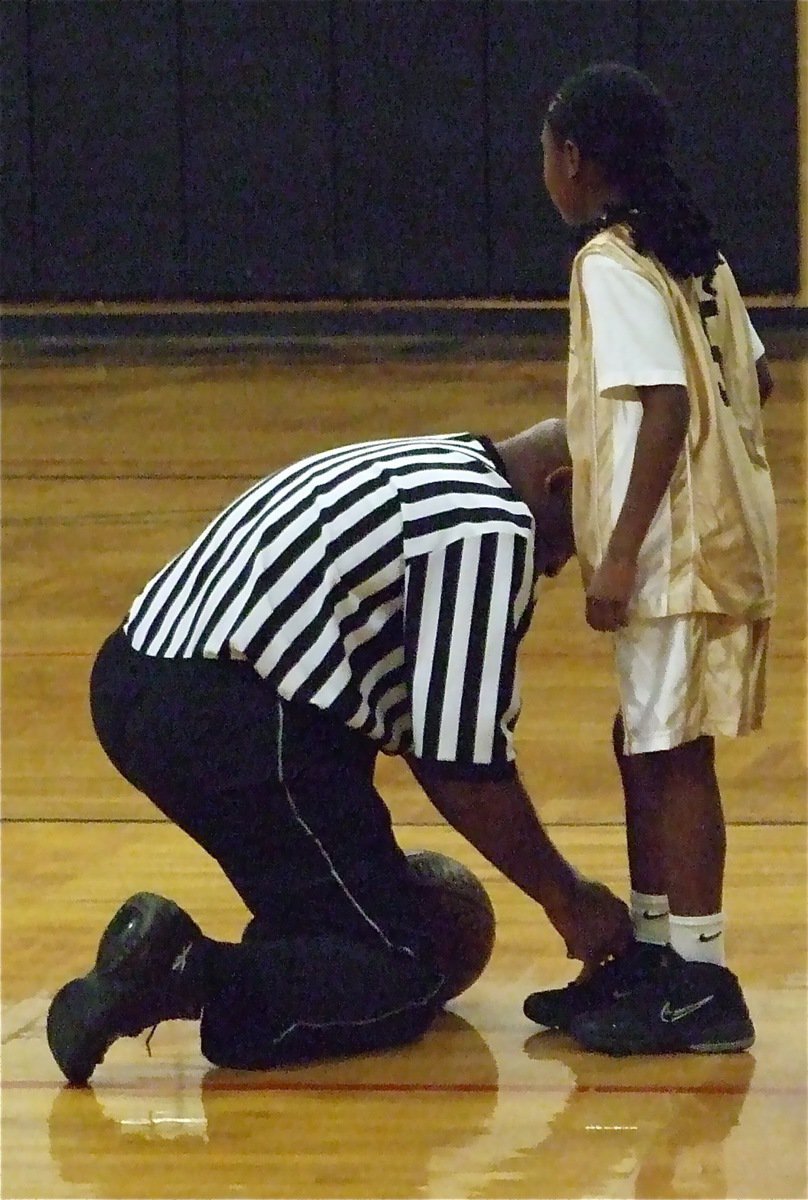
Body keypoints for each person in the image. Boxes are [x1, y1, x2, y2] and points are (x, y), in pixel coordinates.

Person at [47, 419, 632, 1084]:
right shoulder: (489, 530)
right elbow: (461, 764)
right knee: (402, 968)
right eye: (578, 540)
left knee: (340, 925)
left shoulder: (440, 466)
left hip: (143, 672)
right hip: (223, 708)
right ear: (562, 485)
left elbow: (425, 727)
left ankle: (282, 961)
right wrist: (568, 897)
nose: (559, 566)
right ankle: (180, 969)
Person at [524, 63, 777, 1055]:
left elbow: (667, 405)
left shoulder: (607, 264)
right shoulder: (690, 253)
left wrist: (617, 551)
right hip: (726, 529)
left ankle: (703, 982)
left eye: (547, 151)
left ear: (574, 160)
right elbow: (752, 370)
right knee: (644, 742)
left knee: (671, 754)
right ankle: (652, 958)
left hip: (675, 548)